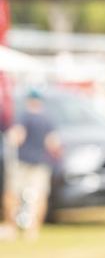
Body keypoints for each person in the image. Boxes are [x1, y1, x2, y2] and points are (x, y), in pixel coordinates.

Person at [3, 89, 60, 238]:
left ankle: (11, 228)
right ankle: (33, 230)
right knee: (39, 195)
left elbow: (17, 137)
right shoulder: (48, 119)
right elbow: (53, 143)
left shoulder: (24, 117)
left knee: (13, 194)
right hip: (41, 162)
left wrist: (10, 140)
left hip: (21, 162)